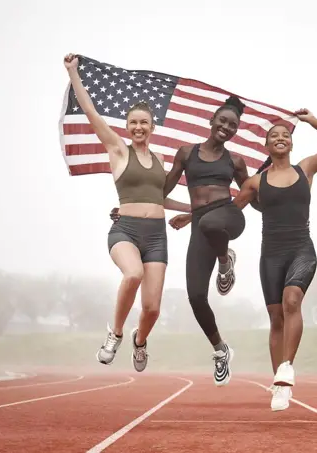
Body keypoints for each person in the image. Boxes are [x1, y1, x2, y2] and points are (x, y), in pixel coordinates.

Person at [64, 53, 191, 372]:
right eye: (133, 122)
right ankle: (116, 334)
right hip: (126, 231)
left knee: (152, 310)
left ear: (151, 127)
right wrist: (73, 74)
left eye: (143, 123)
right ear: (128, 126)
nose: (138, 127)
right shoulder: (118, 151)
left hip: (157, 237)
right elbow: (91, 113)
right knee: (132, 274)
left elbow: (161, 200)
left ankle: (140, 340)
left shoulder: (161, 160)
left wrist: (195, 209)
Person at [228, 109, 317, 410]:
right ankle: (279, 387)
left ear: (291, 145)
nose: (280, 138)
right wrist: (193, 217)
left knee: (292, 299)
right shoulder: (256, 182)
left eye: (286, 136)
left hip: (301, 249)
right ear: (267, 147)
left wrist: (311, 120)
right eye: (274, 136)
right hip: (271, 256)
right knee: (276, 318)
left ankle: (287, 367)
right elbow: (229, 213)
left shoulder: (306, 169)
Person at [148, 95, 258, 386]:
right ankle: (221, 350)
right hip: (202, 224)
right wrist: (129, 206)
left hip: (229, 217)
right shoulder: (186, 153)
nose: (226, 127)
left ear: (236, 130)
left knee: (210, 222)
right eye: (222, 121)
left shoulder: (235, 160)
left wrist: (273, 181)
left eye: (233, 125)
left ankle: (225, 260)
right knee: (196, 296)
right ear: (211, 121)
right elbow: (161, 191)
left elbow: (250, 193)